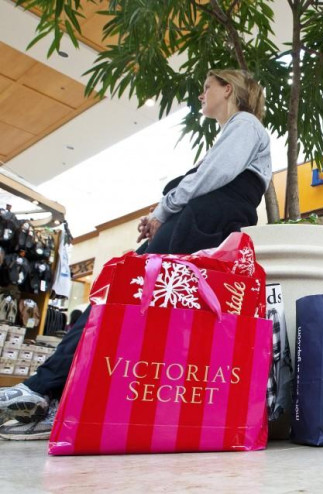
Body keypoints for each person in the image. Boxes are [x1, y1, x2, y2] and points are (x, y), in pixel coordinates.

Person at [0, 69, 272, 440]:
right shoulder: (239, 131)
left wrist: (163, 209)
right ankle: (58, 396)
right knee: (137, 310)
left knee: (118, 301)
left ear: (228, 88)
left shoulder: (245, 125)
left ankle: (45, 389)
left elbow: (213, 175)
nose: (201, 95)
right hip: (201, 226)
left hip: (200, 223)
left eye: (206, 87)